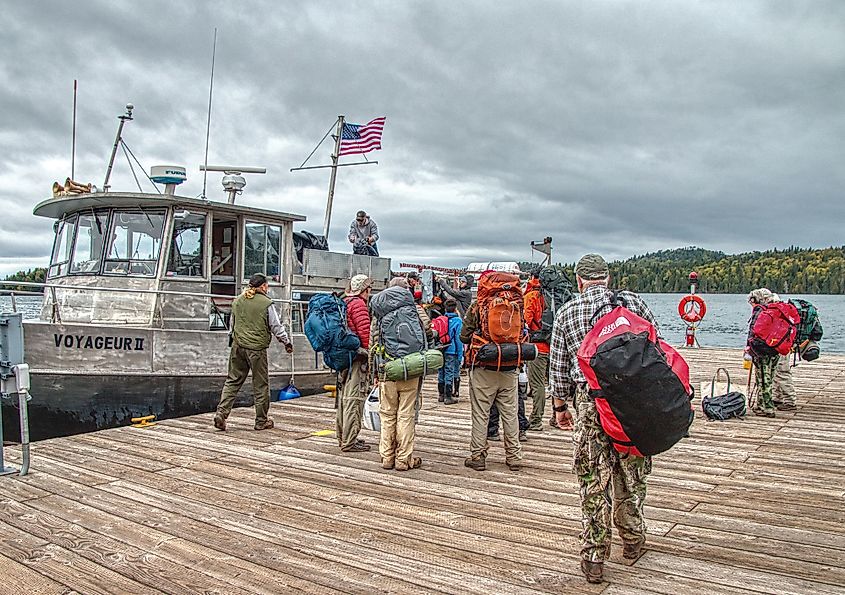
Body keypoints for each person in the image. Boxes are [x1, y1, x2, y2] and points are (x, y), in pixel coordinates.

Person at [548, 254, 656, 584]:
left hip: (591, 402)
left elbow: (558, 368)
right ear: (607, 278)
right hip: (632, 402)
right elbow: (657, 350)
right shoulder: (634, 304)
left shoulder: (568, 311)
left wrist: (560, 408)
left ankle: (594, 556)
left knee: (593, 476)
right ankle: (633, 539)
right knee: (631, 470)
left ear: (580, 281)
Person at [214, 273, 293, 431]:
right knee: (260, 384)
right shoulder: (266, 303)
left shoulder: (237, 301)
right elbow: (276, 326)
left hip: (237, 346)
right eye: (267, 285)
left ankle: (221, 413)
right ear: (263, 286)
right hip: (256, 349)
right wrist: (286, 341)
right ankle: (261, 420)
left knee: (233, 380)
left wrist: (234, 340)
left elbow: (232, 325)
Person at [461, 271, 523, 472]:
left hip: (484, 366)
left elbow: (464, 335)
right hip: (510, 363)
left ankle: (478, 456)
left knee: (481, 413)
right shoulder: (517, 303)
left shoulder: (480, 305)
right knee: (510, 413)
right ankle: (514, 456)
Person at [371, 277, 434, 471]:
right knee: (406, 414)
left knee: (387, 414)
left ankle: (386, 457)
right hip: (410, 368)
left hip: (387, 369)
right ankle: (403, 459)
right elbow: (428, 332)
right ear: (406, 290)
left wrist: (375, 372)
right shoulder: (415, 309)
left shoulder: (379, 312)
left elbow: (373, 342)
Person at [337, 274, 373, 452]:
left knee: (343, 398)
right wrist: (370, 355)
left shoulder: (345, 301)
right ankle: (349, 440)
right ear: (364, 289)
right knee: (354, 398)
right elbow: (364, 332)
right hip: (357, 357)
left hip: (344, 356)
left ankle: (343, 436)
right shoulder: (359, 304)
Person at [523, 270, 556, 432]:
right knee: (555, 383)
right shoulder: (553, 295)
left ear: (532, 278)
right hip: (554, 345)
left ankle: (536, 419)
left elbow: (525, 322)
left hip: (537, 347)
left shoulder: (531, 296)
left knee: (537, 385)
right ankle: (557, 416)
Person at [747, 288, 780, 417]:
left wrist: (749, 348)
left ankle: (768, 408)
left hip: (761, 351)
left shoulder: (760, 311)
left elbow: (753, 331)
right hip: (775, 349)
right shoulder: (775, 309)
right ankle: (761, 405)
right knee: (769, 378)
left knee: (763, 380)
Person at [769, 293, 798, 411]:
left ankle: (790, 400)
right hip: (781, 346)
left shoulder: (778, 314)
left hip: (781, 347)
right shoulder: (784, 312)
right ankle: (776, 397)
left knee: (782, 372)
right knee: (776, 371)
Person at [488, 365, 529, 441]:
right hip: (512, 365)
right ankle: (520, 428)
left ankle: (492, 430)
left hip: (493, 365)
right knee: (515, 395)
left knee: (493, 394)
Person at [436, 298, 463, 405]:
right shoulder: (458, 321)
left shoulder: (441, 320)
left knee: (441, 371)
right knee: (450, 372)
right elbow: (458, 339)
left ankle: (441, 395)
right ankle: (448, 396)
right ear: (455, 309)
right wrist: (460, 355)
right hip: (452, 350)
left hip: (440, 350)